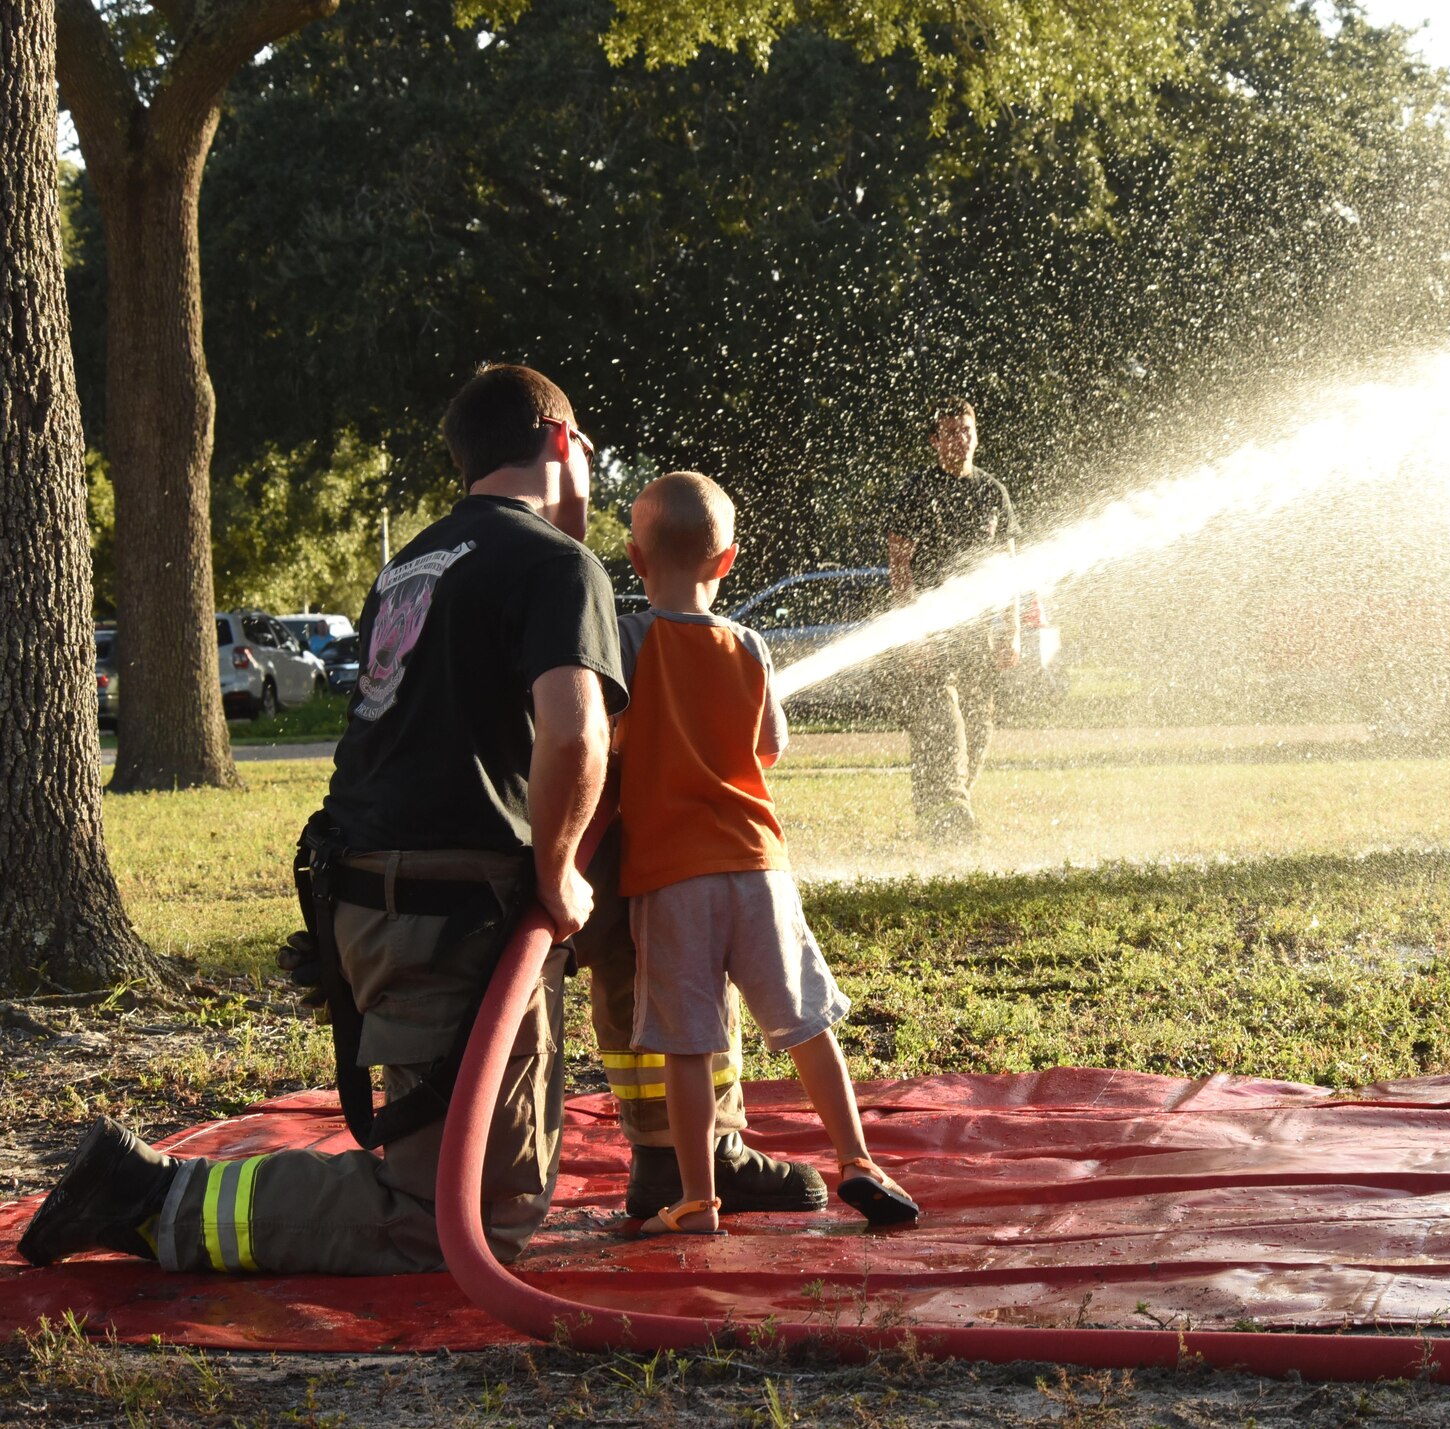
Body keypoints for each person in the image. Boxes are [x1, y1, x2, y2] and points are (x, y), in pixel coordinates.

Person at [22, 364, 626, 1274]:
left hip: (379, 900)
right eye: (585, 445)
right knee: (459, 1218)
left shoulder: (415, 560)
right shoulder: (557, 563)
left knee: (473, 1181)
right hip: (449, 914)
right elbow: (576, 737)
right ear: (554, 439)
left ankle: (161, 1195)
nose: (590, 462)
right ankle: (152, 1196)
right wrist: (557, 874)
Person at [617, 470, 917, 1233]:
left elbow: (607, 736)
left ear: (635, 558)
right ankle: (857, 1158)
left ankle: (696, 1198)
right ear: (727, 562)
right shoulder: (749, 643)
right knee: (805, 1021)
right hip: (758, 865)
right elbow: (770, 746)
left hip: (671, 875)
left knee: (686, 1043)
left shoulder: (629, 640)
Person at [573, 829, 829, 1218]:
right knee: (685, 973)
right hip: (677, 843)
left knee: (627, 963)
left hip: (602, 834)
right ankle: (714, 1155)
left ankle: (660, 1163)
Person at [886, 397, 1021, 842]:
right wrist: (913, 634)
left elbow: (1009, 568)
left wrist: (1012, 630)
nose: (960, 441)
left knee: (979, 727)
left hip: (979, 631)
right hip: (931, 631)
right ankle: (953, 813)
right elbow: (900, 569)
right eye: (949, 433)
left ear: (975, 434)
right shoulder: (915, 491)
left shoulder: (992, 492)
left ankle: (939, 811)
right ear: (933, 440)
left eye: (966, 430)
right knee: (943, 723)